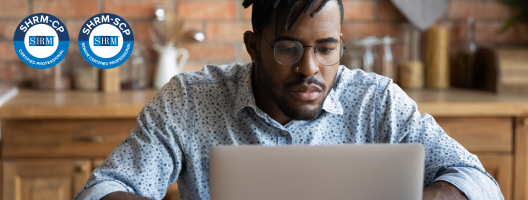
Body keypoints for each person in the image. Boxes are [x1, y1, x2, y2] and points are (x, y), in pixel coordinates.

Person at [75, 0, 504, 199]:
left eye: (326, 48)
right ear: (252, 46)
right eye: (287, 48)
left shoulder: (377, 102)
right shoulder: (190, 100)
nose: (309, 69)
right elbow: (103, 189)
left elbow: (480, 182)